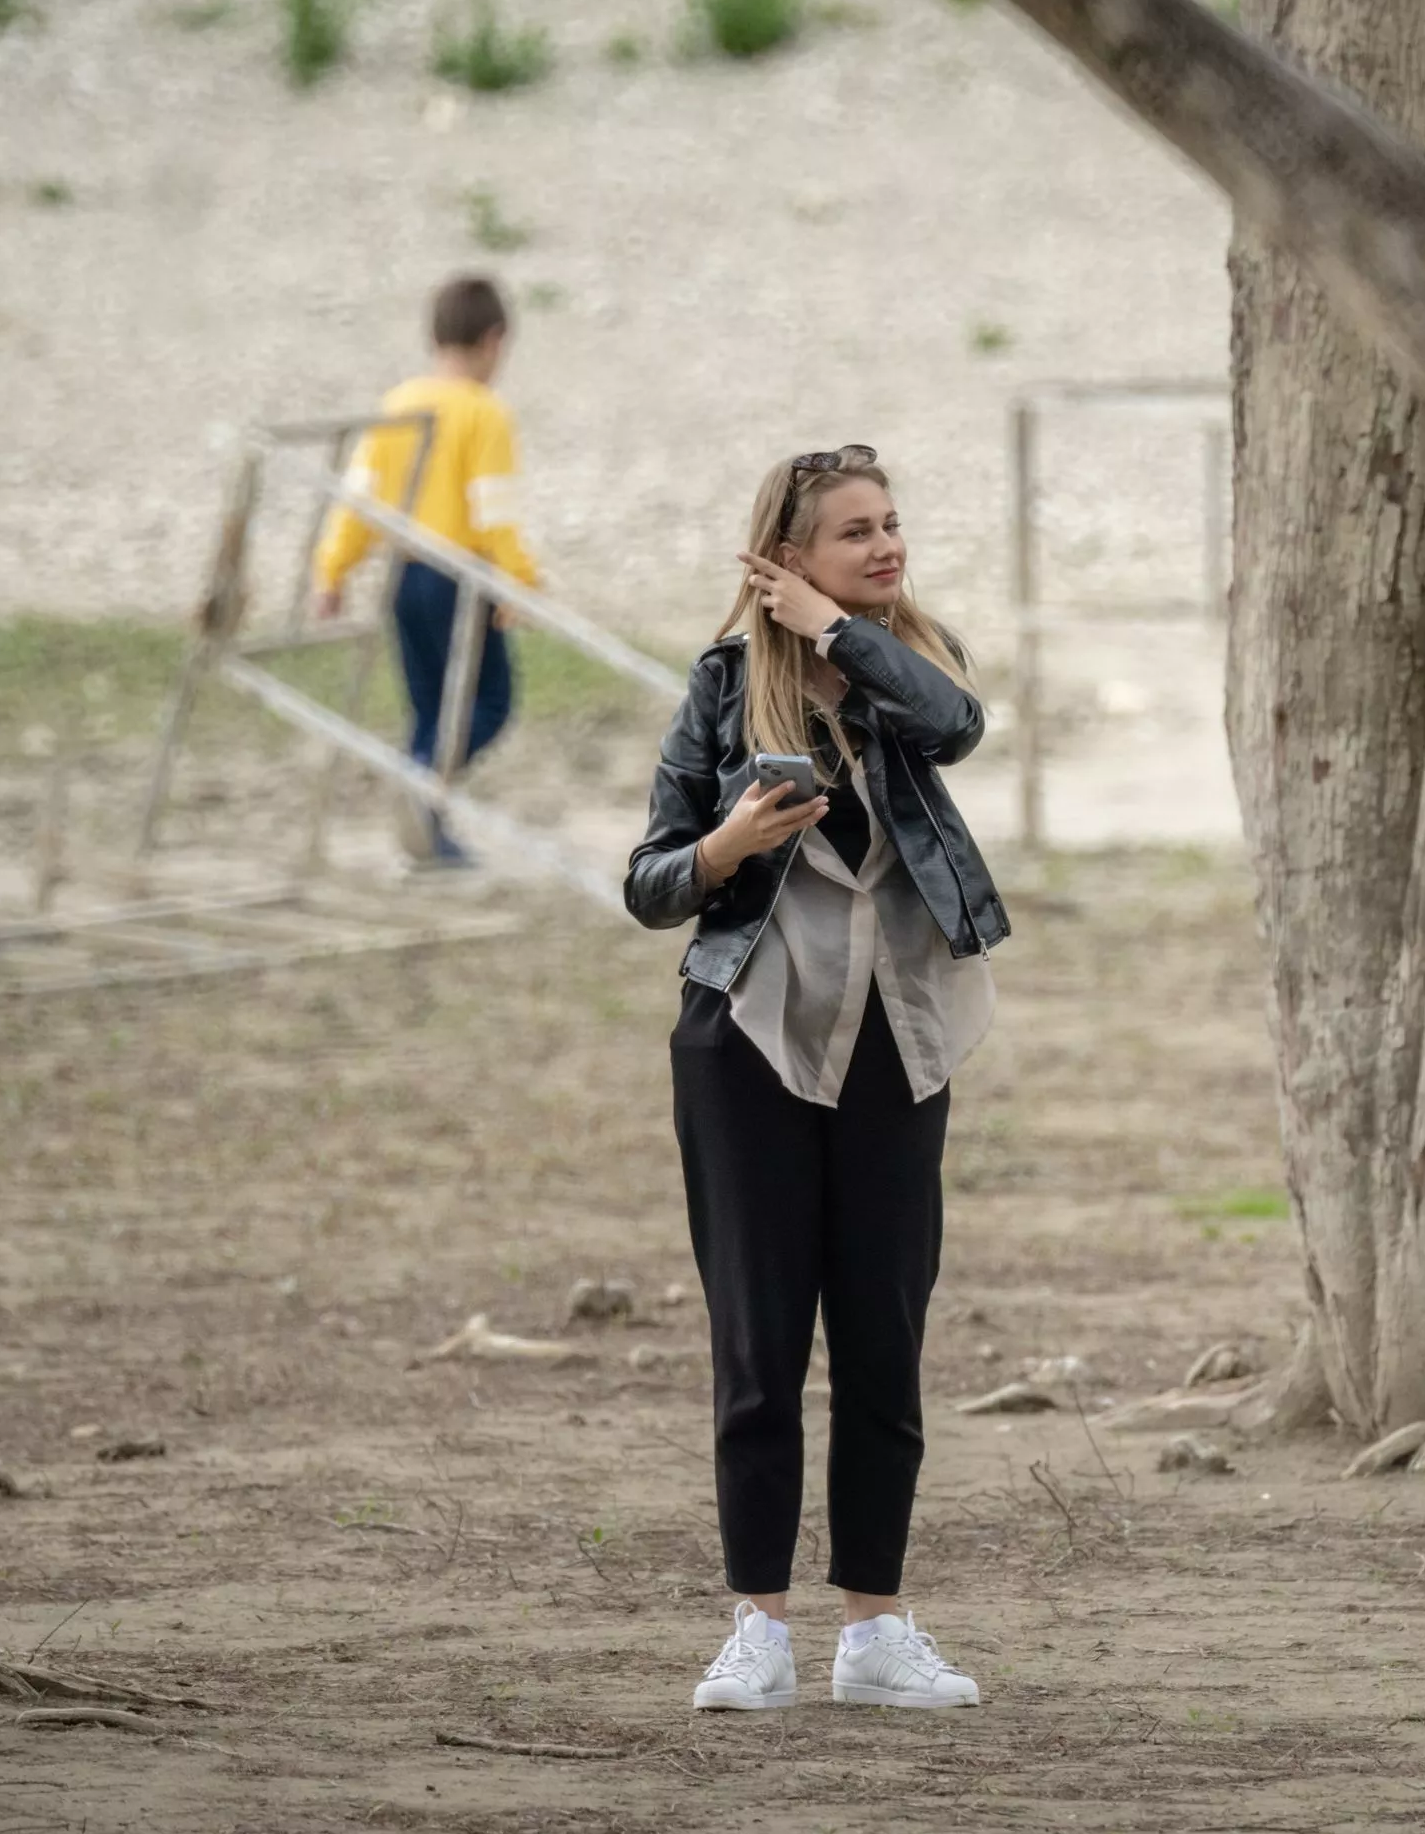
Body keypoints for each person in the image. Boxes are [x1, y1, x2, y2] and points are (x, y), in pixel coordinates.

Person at [624, 444, 1011, 1712]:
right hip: (751, 1042)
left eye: (893, 523)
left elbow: (959, 725)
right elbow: (648, 878)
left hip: (899, 1039)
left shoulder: (907, 669)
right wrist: (727, 845)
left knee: (884, 1340)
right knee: (760, 1342)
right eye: (854, 531)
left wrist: (844, 630)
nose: (887, 545)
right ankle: (758, 1627)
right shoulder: (726, 687)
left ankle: (879, 1630)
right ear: (786, 557)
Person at [311, 273, 542, 868]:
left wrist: (332, 569)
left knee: (430, 708)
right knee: (489, 704)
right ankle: (417, 789)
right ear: (495, 339)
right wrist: (519, 582)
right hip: (459, 579)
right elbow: (495, 508)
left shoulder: (399, 405)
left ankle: (425, 832)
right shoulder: (483, 413)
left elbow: (358, 498)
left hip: (403, 576)